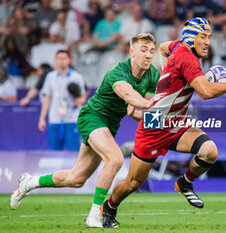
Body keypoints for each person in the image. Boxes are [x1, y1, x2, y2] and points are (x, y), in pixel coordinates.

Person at [10, 33, 159, 229]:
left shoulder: (153, 75)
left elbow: (134, 112)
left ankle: (30, 181)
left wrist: (158, 117)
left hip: (110, 125)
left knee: (77, 178)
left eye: (152, 51)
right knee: (115, 159)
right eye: (143, 50)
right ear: (131, 51)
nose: (148, 55)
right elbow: (128, 95)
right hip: (92, 117)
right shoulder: (118, 71)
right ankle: (95, 216)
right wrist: (155, 104)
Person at [101, 17, 226, 229]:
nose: (208, 42)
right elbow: (205, 91)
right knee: (133, 183)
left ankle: (184, 183)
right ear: (191, 38)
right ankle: (109, 207)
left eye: (209, 37)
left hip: (176, 121)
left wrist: (166, 73)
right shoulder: (188, 59)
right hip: (154, 126)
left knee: (209, 151)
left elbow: (164, 48)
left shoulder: (180, 48)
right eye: (203, 36)